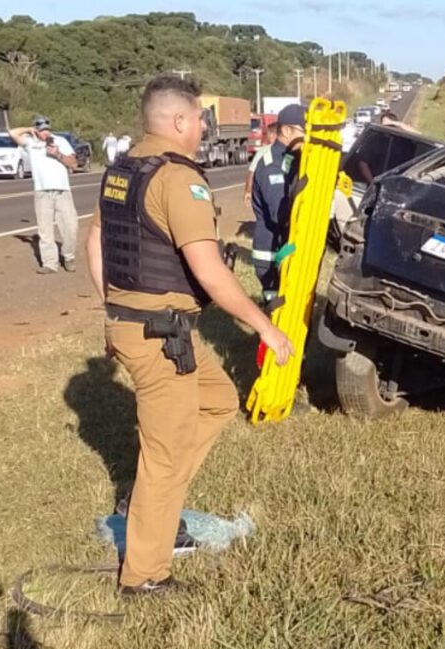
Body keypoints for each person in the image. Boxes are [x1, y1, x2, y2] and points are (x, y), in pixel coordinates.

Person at [84, 75, 294, 597]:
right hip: (160, 336)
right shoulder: (178, 179)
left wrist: (112, 308)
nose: (204, 127)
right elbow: (210, 272)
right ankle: (145, 573)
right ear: (179, 121)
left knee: (219, 400)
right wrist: (266, 326)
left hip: (146, 326)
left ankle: (153, 503)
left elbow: (94, 240)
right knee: (164, 454)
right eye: (199, 118)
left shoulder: (124, 169)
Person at [9, 116, 79, 274]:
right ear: (36, 131)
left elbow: (73, 163)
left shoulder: (60, 141)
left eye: (47, 129)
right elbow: (12, 133)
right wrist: (28, 130)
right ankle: (50, 263)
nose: (45, 133)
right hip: (42, 192)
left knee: (70, 227)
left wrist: (58, 155)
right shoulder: (31, 143)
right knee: (45, 230)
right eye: (41, 130)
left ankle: (68, 257)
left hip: (62, 191)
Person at [250, 105, 306, 303]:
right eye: (303, 132)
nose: (307, 139)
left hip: (285, 247)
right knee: (278, 312)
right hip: (272, 253)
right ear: (287, 130)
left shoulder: (294, 159)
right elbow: (279, 214)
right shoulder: (271, 164)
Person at [243, 122, 279, 209]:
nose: (266, 137)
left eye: (267, 134)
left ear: (273, 135)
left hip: (267, 191)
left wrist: (248, 191)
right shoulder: (288, 150)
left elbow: (252, 171)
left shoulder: (263, 151)